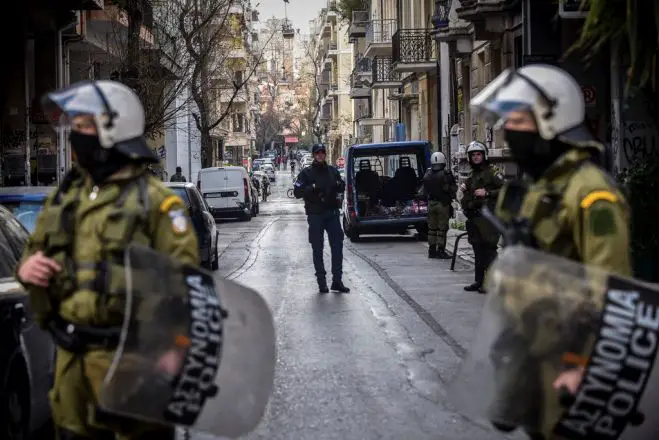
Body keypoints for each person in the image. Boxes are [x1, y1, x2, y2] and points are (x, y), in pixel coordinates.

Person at [15, 80, 199, 440]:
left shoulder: (157, 204)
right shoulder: (65, 197)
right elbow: (32, 256)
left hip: (133, 368)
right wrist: (26, 269)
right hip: (71, 367)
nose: (75, 137)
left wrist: (174, 352)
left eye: (84, 127)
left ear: (114, 129)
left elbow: (184, 286)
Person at [468, 64, 632, 437]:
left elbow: (611, 292)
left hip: (575, 368)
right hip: (539, 357)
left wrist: (584, 367)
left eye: (520, 120)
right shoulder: (541, 190)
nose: (510, 131)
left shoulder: (592, 194)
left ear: (553, 121)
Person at [294, 144, 349, 293]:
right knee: (317, 248)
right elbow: (297, 192)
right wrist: (312, 188)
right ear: (313, 155)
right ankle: (321, 282)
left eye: (322, 153)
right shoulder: (306, 173)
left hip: (332, 214)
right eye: (317, 153)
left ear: (325, 154)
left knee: (337, 246)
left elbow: (341, 186)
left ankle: (337, 281)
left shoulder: (332, 171)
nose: (320, 155)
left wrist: (339, 190)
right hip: (315, 215)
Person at [459, 141, 503, 294]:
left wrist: (488, 193)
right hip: (474, 219)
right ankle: (479, 280)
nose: (476, 157)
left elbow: (506, 190)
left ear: (484, 155)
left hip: (488, 218)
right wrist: (464, 189)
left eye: (478, 154)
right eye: (473, 155)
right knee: (477, 250)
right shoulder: (473, 175)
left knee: (489, 250)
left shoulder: (492, 172)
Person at [422, 151, 457, 259]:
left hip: (431, 203)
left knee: (432, 229)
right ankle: (441, 251)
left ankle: (431, 251)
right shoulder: (446, 173)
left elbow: (424, 190)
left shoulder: (427, 174)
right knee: (442, 229)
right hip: (443, 204)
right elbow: (452, 189)